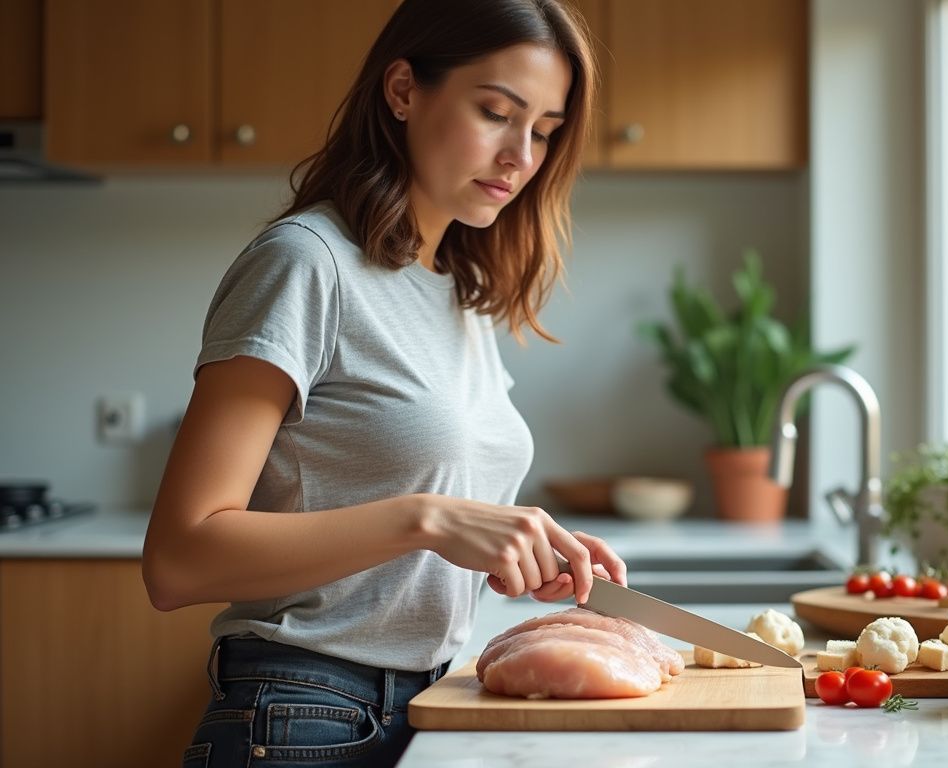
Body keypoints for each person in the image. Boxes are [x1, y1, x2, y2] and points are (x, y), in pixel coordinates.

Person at [141, 2, 621, 765]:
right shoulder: (306, 263)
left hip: (425, 700)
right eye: (497, 112)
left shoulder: (455, 288)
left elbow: (423, 526)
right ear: (403, 91)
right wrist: (426, 520)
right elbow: (178, 559)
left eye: (544, 131)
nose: (520, 156)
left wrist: (517, 545)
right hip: (303, 713)